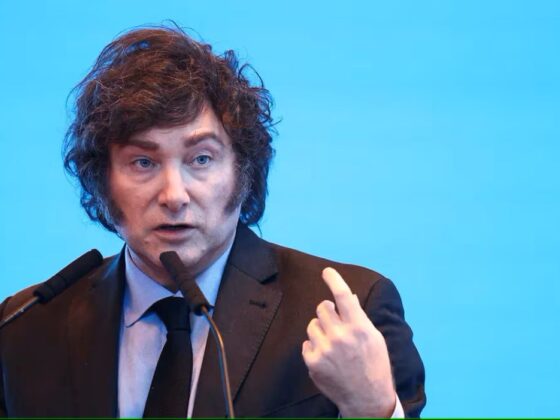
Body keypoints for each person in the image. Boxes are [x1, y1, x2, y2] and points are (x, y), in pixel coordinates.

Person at [0, 25, 425, 418]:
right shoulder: (26, 326)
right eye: (143, 162)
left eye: (201, 159)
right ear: (102, 180)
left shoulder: (349, 317)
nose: (174, 195)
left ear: (244, 172)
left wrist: (371, 409)